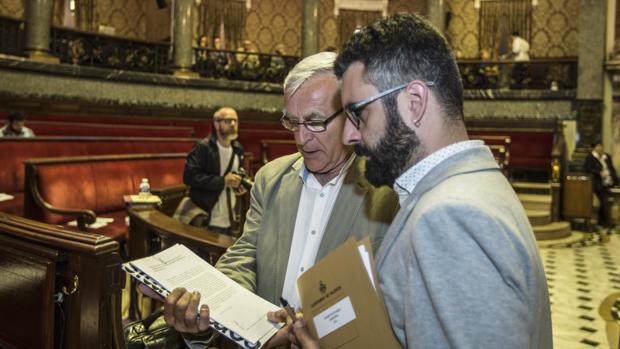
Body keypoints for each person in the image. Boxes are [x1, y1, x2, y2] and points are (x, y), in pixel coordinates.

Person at [293, 13, 552, 348]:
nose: (349, 133)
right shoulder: (474, 182)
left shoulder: (450, 215)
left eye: (359, 113)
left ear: (414, 102)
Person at [154, 52, 399, 348]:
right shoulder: (271, 178)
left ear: (352, 116)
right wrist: (209, 310)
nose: (301, 138)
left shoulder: (388, 192)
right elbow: (245, 256)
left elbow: (397, 300)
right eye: (292, 122)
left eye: (315, 122)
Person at [179, 107, 245, 236]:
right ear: (216, 123)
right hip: (208, 215)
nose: (233, 124)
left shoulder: (238, 148)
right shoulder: (203, 147)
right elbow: (189, 176)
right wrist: (222, 181)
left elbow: (236, 174)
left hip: (230, 215)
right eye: (228, 121)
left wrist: (238, 184)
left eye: (235, 121)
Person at [584, 141, 619, 228]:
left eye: (601, 146)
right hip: (598, 184)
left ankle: (602, 221)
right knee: (605, 201)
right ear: (594, 148)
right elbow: (587, 169)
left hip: (610, 182)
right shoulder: (590, 157)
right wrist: (599, 173)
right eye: (598, 146)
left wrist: (616, 181)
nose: (600, 148)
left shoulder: (607, 156)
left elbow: (612, 169)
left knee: (608, 201)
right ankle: (607, 223)